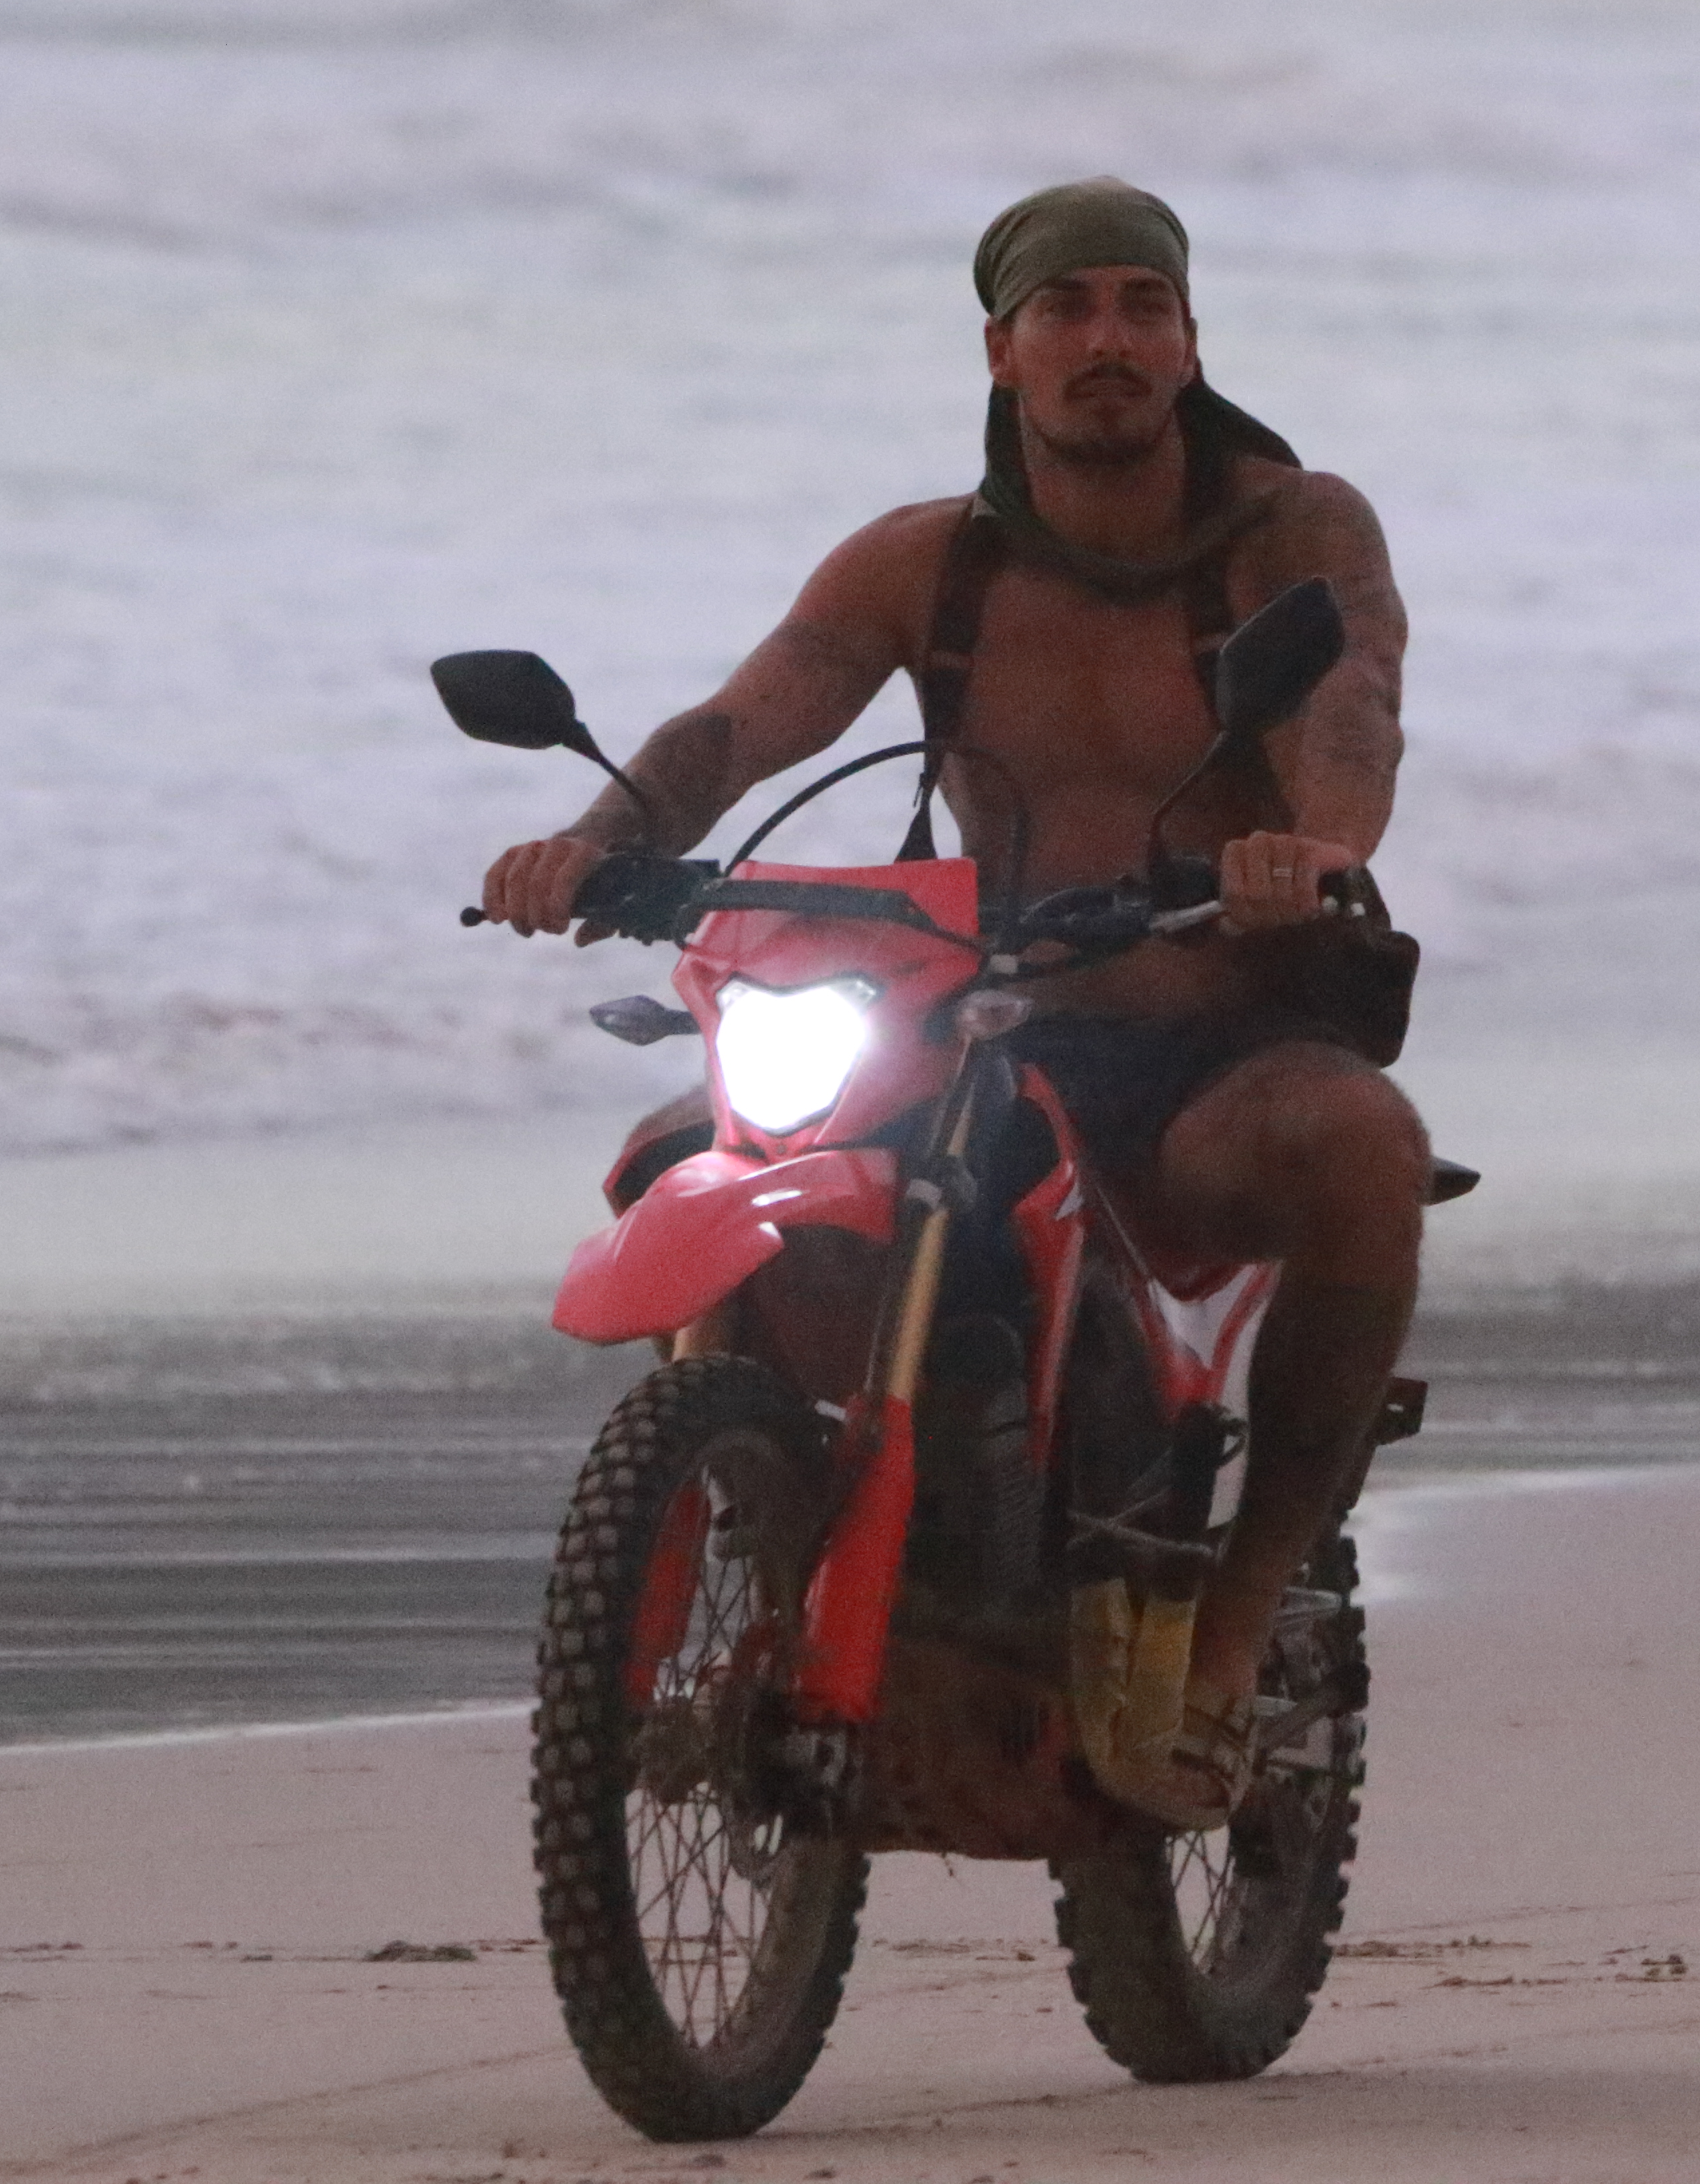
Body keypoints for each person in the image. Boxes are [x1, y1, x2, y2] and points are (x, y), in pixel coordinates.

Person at [475, 177, 1423, 1829]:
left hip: (1214, 1034)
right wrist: (597, 841)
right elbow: (735, 730)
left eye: (1143, 305)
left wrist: (1316, 850)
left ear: (1192, 340)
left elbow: (1352, 706)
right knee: (677, 1143)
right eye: (1068, 311)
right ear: (1004, 351)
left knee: (1360, 1147)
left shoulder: (1295, 527)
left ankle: (1239, 1606)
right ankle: (747, 1555)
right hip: (996, 1020)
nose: (1107, 341)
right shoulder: (926, 565)